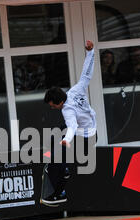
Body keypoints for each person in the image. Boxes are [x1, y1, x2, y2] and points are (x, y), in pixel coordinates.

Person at [42, 40, 97, 206]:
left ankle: (59, 193)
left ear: (59, 102)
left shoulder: (67, 110)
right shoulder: (76, 90)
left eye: (52, 106)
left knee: (59, 160)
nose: (52, 108)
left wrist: (67, 140)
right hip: (91, 129)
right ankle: (54, 160)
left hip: (84, 138)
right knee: (54, 136)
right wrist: (90, 52)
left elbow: (72, 126)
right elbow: (86, 74)